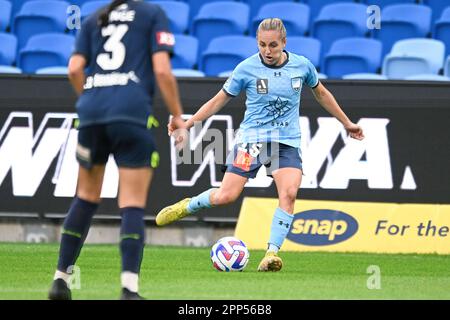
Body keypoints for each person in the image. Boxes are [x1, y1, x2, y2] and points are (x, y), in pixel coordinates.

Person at [155, 18, 364, 272]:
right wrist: (189, 124)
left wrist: (346, 123)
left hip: (286, 143)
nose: (267, 51)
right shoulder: (246, 68)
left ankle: (271, 254)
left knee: (288, 193)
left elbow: (321, 93)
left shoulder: (302, 66)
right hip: (251, 142)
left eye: (273, 45)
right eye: (262, 45)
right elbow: (218, 100)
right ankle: (187, 205)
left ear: (284, 43)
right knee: (226, 196)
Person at [48, 0, 185, 300]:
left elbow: (74, 69)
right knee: (132, 204)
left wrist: (93, 98)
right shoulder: (152, 14)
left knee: (85, 198)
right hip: (132, 113)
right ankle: (128, 289)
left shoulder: (94, 18)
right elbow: (162, 72)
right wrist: (177, 116)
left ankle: (60, 280)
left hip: (91, 114)